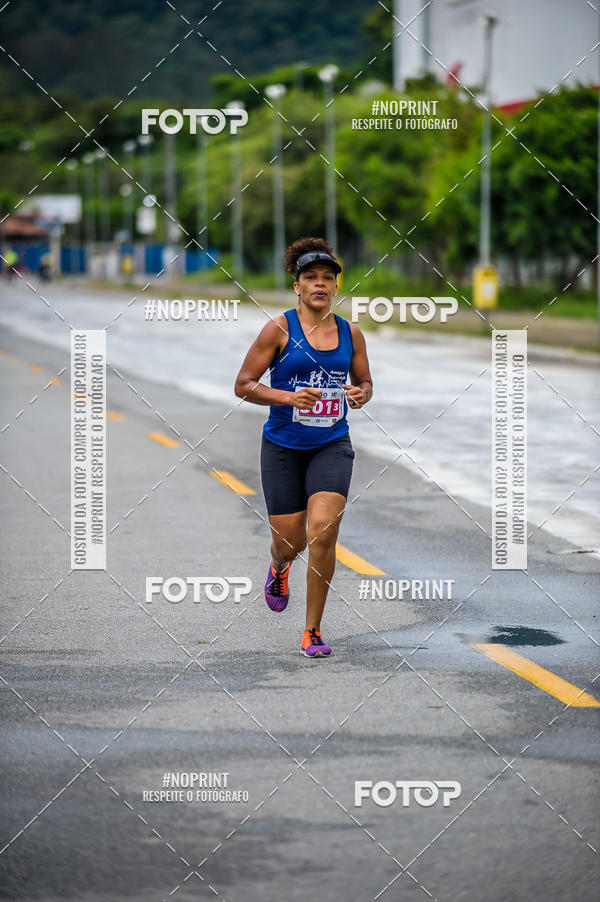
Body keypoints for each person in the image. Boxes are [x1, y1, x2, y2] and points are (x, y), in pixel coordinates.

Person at [234, 237, 373, 657]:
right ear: (297, 285)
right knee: (291, 543)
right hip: (282, 447)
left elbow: (366, 382)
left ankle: (312, 630)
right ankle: (279, 567)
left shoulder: (351, 333)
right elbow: (243, 385)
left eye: (327, 279)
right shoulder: (278, 329)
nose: (320, 284)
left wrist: (361, 393)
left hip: (331, 443)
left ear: (335, 287)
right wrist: (287, 397)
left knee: (324, 532)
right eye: (311, 277)